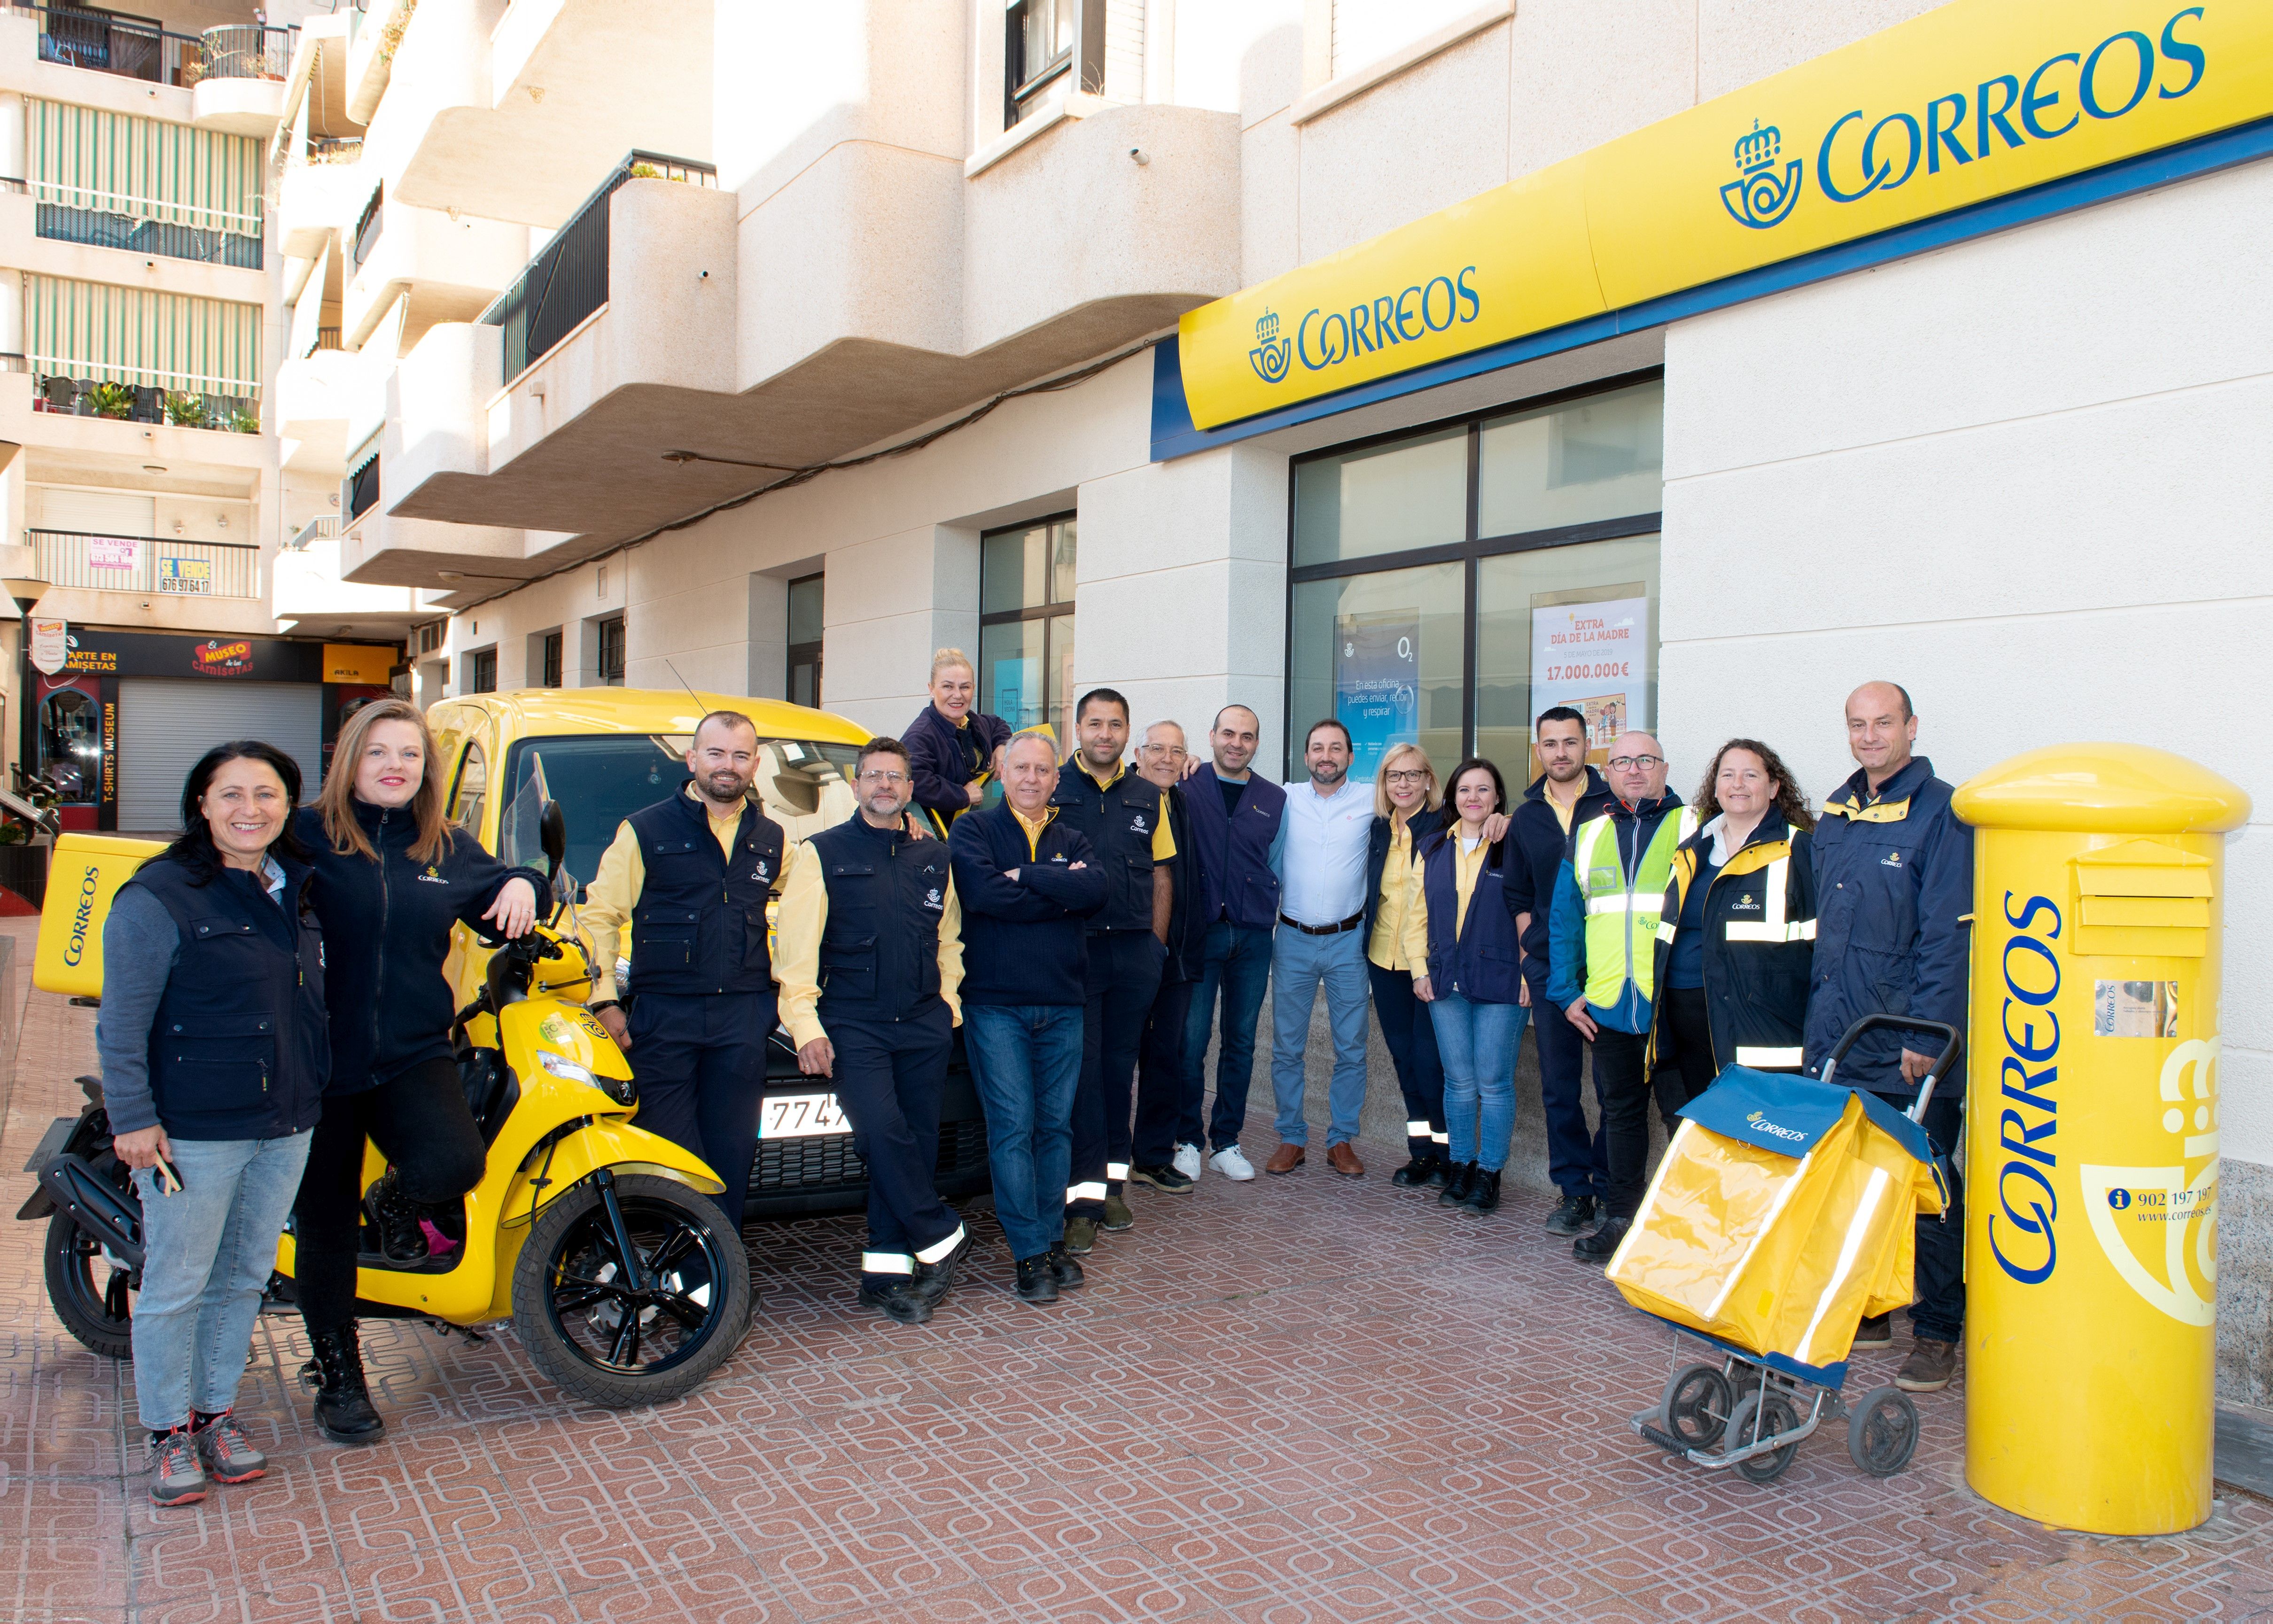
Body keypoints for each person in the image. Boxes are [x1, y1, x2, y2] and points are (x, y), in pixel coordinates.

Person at [293, 699, 546, 1447]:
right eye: (378, 752)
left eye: (408, 754)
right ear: (349, 761)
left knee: (454, 1161)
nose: (394, 766)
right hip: (317, 1058)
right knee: (326, 1222)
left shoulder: (445, 846)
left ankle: (394, 1200)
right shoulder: (304, 836)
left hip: (411, 1050)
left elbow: (508, 890)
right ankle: (339, 1373)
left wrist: (527, 882)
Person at [96, 742, 327, 1507]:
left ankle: (214, 1413)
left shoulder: (291, 884)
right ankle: (167, 1430)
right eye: (231, 794)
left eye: (267, 794)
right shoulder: (158, 895)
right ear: (201, 803)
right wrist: (133, 1117)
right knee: (178, 1282)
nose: (249, 809)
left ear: (287, 805)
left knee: (244, 1276)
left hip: (285, 1119)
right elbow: (122, 1021)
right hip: (195, 1127)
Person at [1805, 682, 1972, 1393]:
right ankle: (1871, 1310)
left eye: (1882, 722)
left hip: (1907, 1043)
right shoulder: (1838, 811)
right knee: (1854, 1185)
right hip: (1840, 1035)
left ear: (1910, 726)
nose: (1868, 736)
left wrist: (1928, 1036)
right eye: (1857, 724)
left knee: (1926, 1188)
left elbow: (1948, 936)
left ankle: (1936, 1330)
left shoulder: (1943, 813)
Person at [777, 736, 973, 1324]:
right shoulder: (821, 853)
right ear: (856, 785)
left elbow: (949, 938)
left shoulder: (934, 856)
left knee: (915, 1141)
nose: (884, 785)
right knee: (881, 1133)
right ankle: (940, 1233)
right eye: (873, 775)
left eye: (895, 777)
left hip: (922, 1023)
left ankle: (885, 1273)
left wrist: (947, 1004)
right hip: (853, 1024)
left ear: (910, 789)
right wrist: (805, 1025)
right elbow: (795, 953)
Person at [582, 711, 785, 1236]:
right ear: (692, 759)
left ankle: (714, 1273)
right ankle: (679, 1264)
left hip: (742, 1018)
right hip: (665, 1017)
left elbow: (822, 882)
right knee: (670, 1153)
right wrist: (604, 999)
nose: (727, 765)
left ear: (755, 765)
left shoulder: (772, 837)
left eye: (740, 755)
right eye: (716, 753)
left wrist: (900, 827)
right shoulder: (645, 829)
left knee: (731, 1154)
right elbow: (600, 916)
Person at [949, 731, 1107, 1299]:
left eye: (1042, 770)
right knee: (1013, 1126)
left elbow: (1097, 890)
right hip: (997, 1006)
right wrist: (1060, 892)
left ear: (1055, 779)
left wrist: (1030, 875)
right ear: (1001, 772)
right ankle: (1029, 1251)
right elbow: (984, 896)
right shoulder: (973, 830)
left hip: (1063, 1003)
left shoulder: (1072, 835)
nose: (1031, 778)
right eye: (1021, 768)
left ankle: (1051, 1237)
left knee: (1055, 1127)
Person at [1547, 731, 1691, 1263]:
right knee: (1622, 1119)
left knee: (1686, 1122)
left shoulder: (1696, 827)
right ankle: (1621, 1220)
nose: (1634, 770)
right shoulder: (1588, 834)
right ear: (1607, 773)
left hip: (1673, 1006)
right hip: (1609, 1005)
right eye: (1622, 761)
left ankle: (1687, 1233)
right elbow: (1564, 919)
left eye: (1645, 760)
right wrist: (1566, 992)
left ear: (1664, 767)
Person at [1051, 689, 1176, 1245]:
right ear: (1077, 729)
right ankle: (1081, 1203)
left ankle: (1113, 1188)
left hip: (1132, 954)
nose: (1105, 734)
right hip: (1073, 953)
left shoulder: (1149, 795)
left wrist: (1155, 947)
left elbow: (1162, 874)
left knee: (1118, 1072)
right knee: (1083, 1075)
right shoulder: (1052, 787)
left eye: (1115, 724)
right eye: (1095, 723)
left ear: (1128, 733)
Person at [1649, 740, 1819, 1127]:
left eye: (1750, 775)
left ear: (1774, 787)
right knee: (1704, 1137)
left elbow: (1822, 948)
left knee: (1755, 1139)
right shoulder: (1692, 851)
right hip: (1687, 1031)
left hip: (1760, 1034)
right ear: (1715, 787)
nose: (1737, 784)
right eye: (1728, 774)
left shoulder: (1799, 850)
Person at [1504, 707, 1614, 1237]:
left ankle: (1611, 1186)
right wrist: (1530, 956)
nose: (1560, 752)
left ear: (1587, 745)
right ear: (1538, 750)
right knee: (1559, 1088)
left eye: (1570, 742)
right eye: (1550, 744)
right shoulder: (1526, 816)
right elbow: (1517, 894)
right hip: (1550, 970)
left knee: (1615, 1087)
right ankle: (1575, 1191)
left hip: (1611, 967)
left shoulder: (1615, 803)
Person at [1405, 759, 1529, 1212]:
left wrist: (1529, 973)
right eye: (1464, 789)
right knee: (1458, 1081)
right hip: (1446, 982)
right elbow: (1416, 915)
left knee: (1493, 1083)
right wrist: (1419, 970)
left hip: (1503, 982)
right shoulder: (1433, 846)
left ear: (1498, 798)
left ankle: (1489, 1173)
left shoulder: (1516, 844)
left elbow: (1534, 911)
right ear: (1452, 797)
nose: (1473, 797)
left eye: (1483, 789)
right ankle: (1461, 1166)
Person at [1263, 719, 1377, 1177]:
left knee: (1351, 1047)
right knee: (1286, 1047)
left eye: (1335, 748)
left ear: (1350, 756)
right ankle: (1292, 1137)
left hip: (1349, 941)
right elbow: (1230, 787)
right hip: (1292, 939)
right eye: (1317, 748)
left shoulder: (1373, 798)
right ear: (1305, 755)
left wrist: (1501, 816)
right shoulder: (1283, 798)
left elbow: (1432, 805)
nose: (1325, 756)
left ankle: (1341, 1139)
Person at [1177, 705, 1285, 1183]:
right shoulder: (1186, 784)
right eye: (1228, 733)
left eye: (1246, 736)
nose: (1236, 743)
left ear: (1256, 743)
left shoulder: (1273, 798)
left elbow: (1275, 864)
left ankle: (1226, 1142)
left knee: (1240, 1042)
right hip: (1200, 933)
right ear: (1212, 736)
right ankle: (1187, 1139)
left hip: (1253, 935)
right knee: (1191, 1040)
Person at [1366, 744, 1449, 1185]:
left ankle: (1448, 1154)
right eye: (1394, 775)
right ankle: (1421, 1153)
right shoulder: (1379, 829)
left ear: (1428, 780)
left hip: (1429, 965)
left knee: (1430, 1061)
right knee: (1404, 1059)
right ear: (1384, 783)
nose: (1403, 783)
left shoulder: (1446, 826)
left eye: (1413, 774)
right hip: (1383, 959)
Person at [1128, 720, 1200, 1194]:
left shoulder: (1182, 800)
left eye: (1177, 751)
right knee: (1117, 1063)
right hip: (1132, 955)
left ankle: (1152, 1157)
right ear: (1138, 754)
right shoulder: (1123, 800)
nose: (1167, 759)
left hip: (1177, 959)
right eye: (1157, 749)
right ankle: (1106, 1164)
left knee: (1165, 1060)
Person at [904, 648, 1011, 836]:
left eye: (965, 687)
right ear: (931, 689)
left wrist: (1002, 746)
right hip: (939, 837)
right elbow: (917, 781)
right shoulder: (919, 736)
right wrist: (963, 795)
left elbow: (997, 724)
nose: (957, 695)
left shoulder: (974, 723)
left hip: (977, 829)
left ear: (973, 688)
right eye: (948, 687)